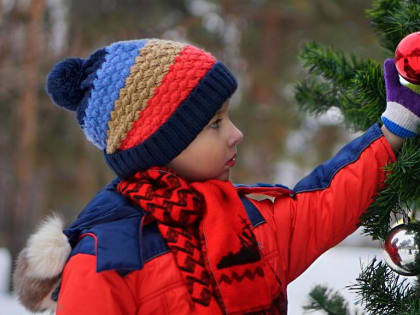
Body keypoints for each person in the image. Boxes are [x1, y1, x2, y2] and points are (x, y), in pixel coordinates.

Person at [13, 39, 419, 315]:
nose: (236, 133)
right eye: (214, 123)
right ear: (160, 144)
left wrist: (394, 128)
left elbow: (325, 203)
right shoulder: (106, 258)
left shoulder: (246, 219)